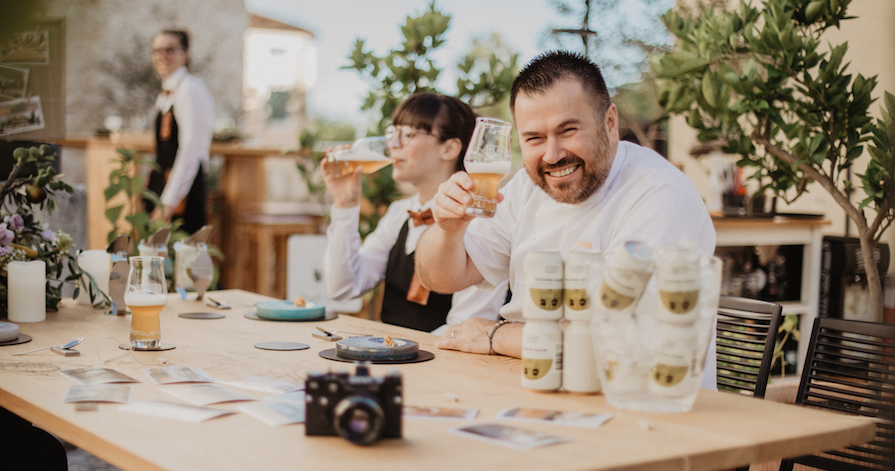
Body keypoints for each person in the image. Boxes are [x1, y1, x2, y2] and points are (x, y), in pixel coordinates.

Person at [415, 51, 717, 386]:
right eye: (534, 138)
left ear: (610, 123)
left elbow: (623, 338)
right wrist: (447, 231)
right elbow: (439, 279)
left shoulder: (660, 195)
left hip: (640, 400)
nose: (552, 154)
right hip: (538, 382)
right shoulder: (526, 189)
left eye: (568, 130)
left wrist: (495, 335)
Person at [323, 92, 508, 333]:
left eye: (408, 134)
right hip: (391, 358)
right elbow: (343, 288)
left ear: (449, 148)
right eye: (393, 133)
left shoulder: (479, 219)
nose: (393, 145)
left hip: (443, 365)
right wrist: (345, 205)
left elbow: (464, 328)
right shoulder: (400, 213)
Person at [145, 29, 214, 234]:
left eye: (169, 50)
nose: (162, 56)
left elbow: (190, 149)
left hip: (182, 191)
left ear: (185, 54)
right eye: (157, 51)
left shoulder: (190, 89)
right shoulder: (167, 92)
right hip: (164, 186)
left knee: (183, 255)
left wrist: (169, 201)